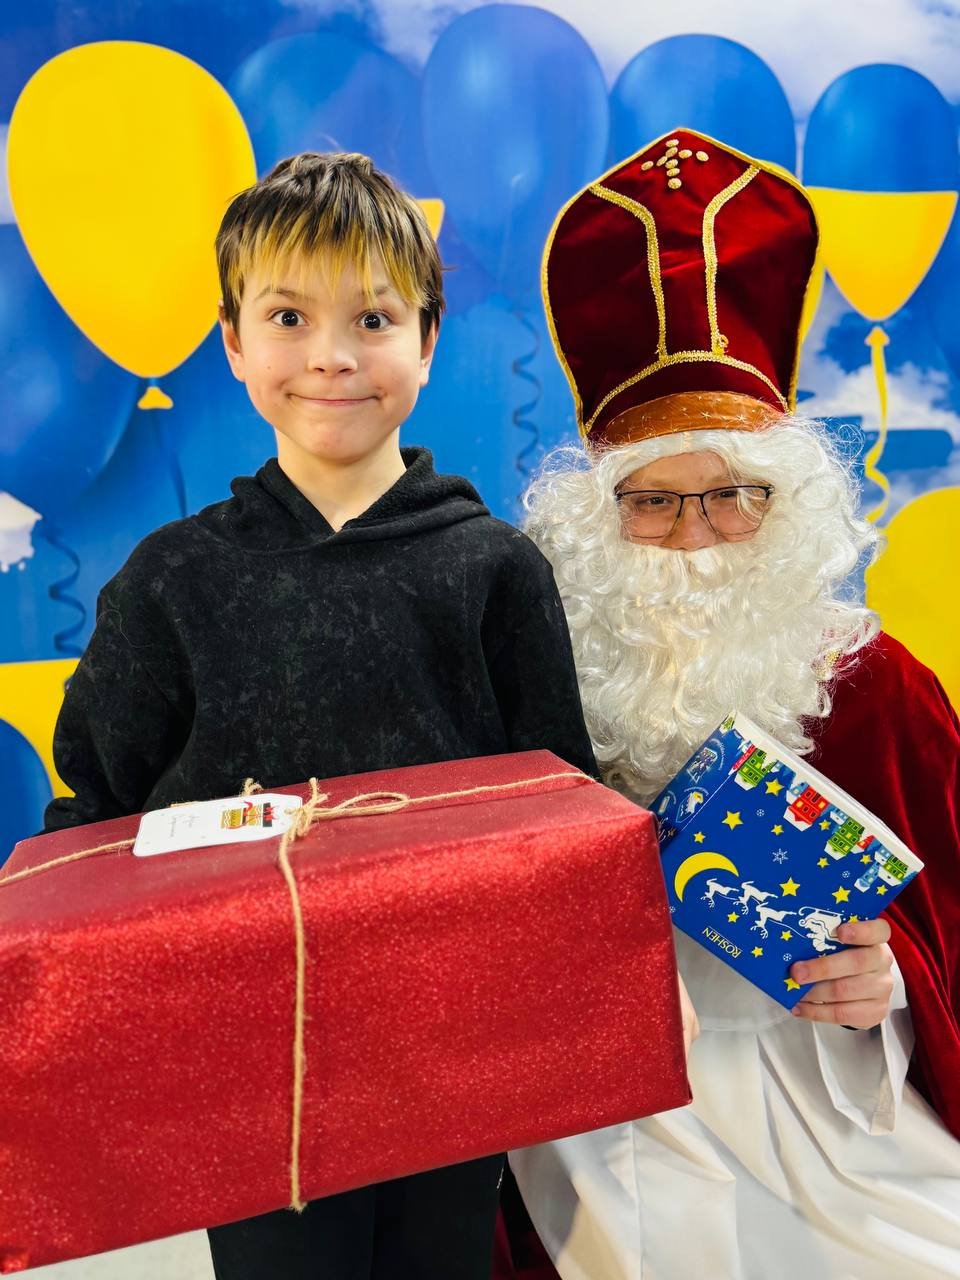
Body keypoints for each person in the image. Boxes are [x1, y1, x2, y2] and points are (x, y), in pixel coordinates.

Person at [42, 151, 601, 1280]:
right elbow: (94, 819)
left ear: (428, 340)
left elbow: (563, 818)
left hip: (449, 1056)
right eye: (289, 316)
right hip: (245, 1066)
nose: (332, 356)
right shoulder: (172, 580)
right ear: (233, 342)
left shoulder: (496, 570)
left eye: (374, 318)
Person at [503, 129, 960, 1279]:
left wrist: (896, 981)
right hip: (600, 1126)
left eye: (734, 496)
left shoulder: (882, 686)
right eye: (653, 503)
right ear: (594, 522)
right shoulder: (527, 684)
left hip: (839, 1112)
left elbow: (952, 919)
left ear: (788, 505)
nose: (698, 538)